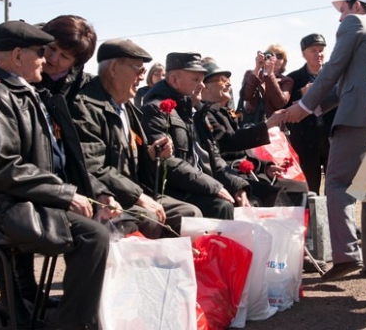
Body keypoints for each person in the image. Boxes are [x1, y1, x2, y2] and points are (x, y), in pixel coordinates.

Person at [0, 16, 115, 326]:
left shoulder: (62, 84)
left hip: (29, 183)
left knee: (92, 229)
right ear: (22, 53)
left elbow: (65, 153)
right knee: (87, 236)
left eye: (63, 57)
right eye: (47, 50)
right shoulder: (3, 76)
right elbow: (1, 165)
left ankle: (42, 305)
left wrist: (86, 193)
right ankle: (19, 304)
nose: (50, 59)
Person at [285, 0, 366, 279]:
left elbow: (332, 69)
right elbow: (347, 82)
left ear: (356, 5)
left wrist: (305, 106)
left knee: (336, 182)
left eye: (342, 11)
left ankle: (346, 254)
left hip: (358, 115)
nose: (339, 20)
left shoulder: (354, 23)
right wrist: (314, 104)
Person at [70, 39, 202, 238]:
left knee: (190, 214)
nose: (141, 78)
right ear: (114, 68)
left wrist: (152, 154)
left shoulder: (127, 108)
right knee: (149, 218)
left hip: (132, 193)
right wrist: (138, 196)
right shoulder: (87, 107)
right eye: (138, 70)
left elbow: (136, 163)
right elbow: (94, 167)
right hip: (108, 198)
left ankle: (173, 269)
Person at [141, 52, 243, 219]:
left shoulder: (194, 111)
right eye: (195, 80)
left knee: (246, 197)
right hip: (176, 190)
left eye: (202, 80)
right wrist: (213, 187)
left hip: (199, 185)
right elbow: (168, 163)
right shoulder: (157, 109)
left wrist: (238, 185)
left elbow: (213, 157)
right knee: (221, 207)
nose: (202, 86)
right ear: (174, 80)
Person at [198, 58, 296, 207]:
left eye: (228, 80)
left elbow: (243, 151)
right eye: (222, 80)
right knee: (277, 200)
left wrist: (266, 167)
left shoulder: (222, 112)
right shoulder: (204, 115)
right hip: (227, 177)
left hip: (240, 173)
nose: (228, 84)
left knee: (297, 192)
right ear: (205, 87)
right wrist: (267, 125)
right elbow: (228, 143)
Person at [285, 34, 334, 193]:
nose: (318, 54)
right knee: (309, 189)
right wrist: (301, 94)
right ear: (303, 53)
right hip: (305, 141)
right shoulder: (293, 79)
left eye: (321, 50)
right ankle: (313, 218)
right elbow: (284, 107)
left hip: (331, 138)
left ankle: (335, 218)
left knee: (335, 188)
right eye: (313, 50)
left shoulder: (334, 75)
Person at [238, 45, 293, 125]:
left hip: (273, 125)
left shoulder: (286, 81)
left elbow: (280, 103)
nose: (274, 58)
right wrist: (257, 68)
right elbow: (246, 96)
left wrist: (270, 75)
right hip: (251, 123)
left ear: (284, 61)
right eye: (270, 55)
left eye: (279, 56)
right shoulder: (251, 74)